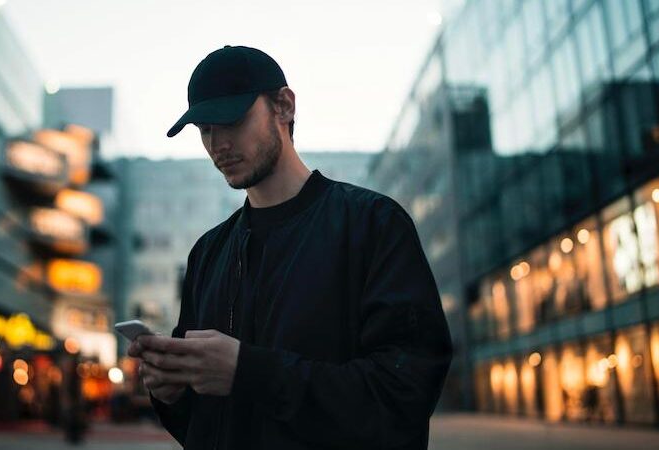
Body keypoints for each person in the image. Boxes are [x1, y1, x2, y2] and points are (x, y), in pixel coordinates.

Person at [127, 45, 452, 450]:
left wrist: (249, 372)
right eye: (205, 129)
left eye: (231, 120)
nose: (217, 144)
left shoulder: (373, 224)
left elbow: (403, 393)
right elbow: (201, 424)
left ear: (284, 106)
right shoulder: (208, 253)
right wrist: (171, 393)